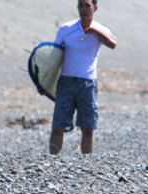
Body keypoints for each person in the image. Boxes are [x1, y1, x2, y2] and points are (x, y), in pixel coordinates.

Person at [49, 1, 116, 156]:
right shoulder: (66, 29)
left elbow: (112, 44)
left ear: (95, 8)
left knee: (87, 127)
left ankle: (86, 162)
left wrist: (93, 30)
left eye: (87, 5)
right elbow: (54, 57)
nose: (83, 9)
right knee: (58, 125)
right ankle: (52, 162)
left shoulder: (101, 30)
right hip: (66, 81)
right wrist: (44, 84)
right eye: (80, 5)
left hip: (87, 83)